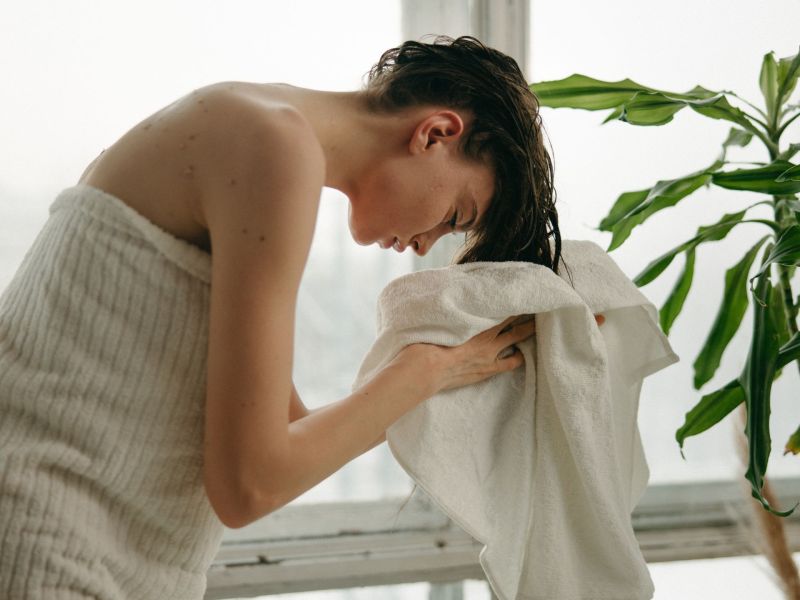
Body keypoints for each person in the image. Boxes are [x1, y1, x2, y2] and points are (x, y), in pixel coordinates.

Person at [0, 35, 603, 598]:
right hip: (48, 552)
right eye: (455, 216)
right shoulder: (268, 143)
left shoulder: (253, 132)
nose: (427, 245)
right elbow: (249, 488)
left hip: (82, 553)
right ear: (437, 133)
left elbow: (289, 439)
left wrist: (457, 364)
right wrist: (421, 372)